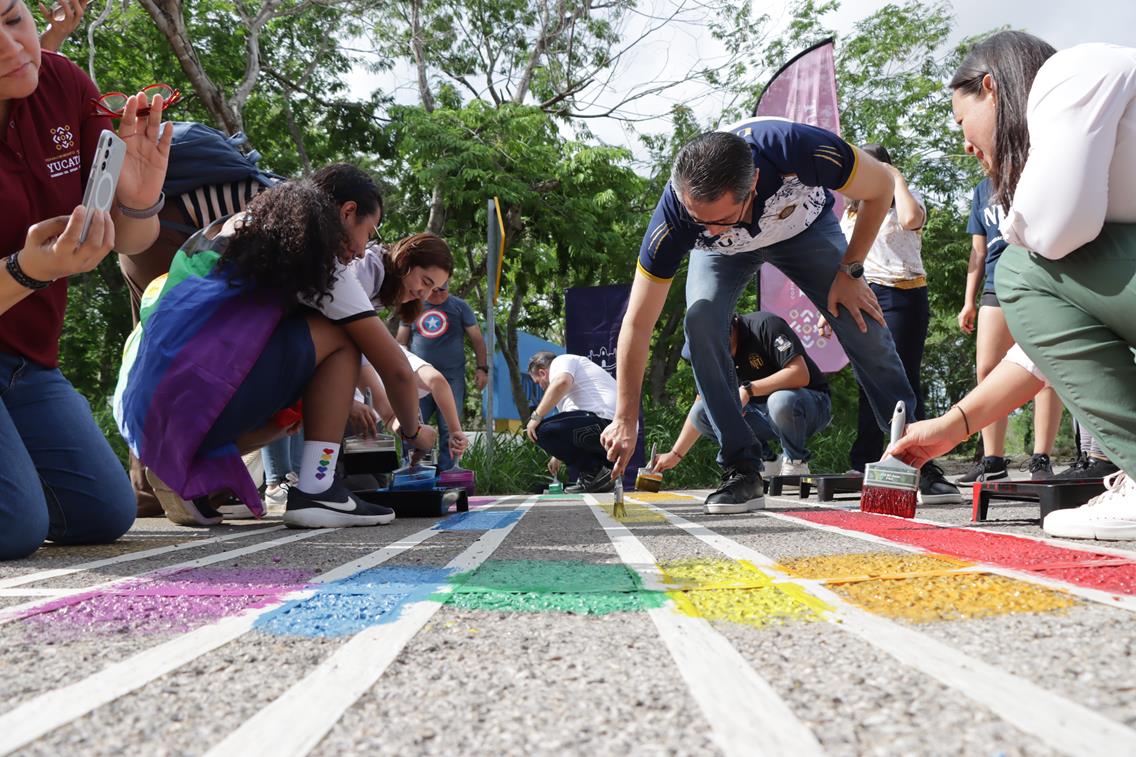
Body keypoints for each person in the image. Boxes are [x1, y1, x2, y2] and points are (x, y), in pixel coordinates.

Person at [600, 117, 915, 514]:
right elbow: (638, 322)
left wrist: (850, 269)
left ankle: (911, 451)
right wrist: (625, 419)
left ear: (753, 186)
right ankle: (742, 468)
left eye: (718, 219)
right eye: (698, 220)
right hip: (724, 259)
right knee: (700, 322)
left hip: (803, 229)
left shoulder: (797, 148)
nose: (708, 230)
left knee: (858, 317)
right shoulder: (677, 218)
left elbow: (882, 186)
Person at [891, 32, 1136, 540]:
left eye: (962, 121)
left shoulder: (1067, 76)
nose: (964, 143)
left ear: (990, 88)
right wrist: (954, 426)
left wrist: (1013, 231)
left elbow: (1052, 232)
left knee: (1020, 268)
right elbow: (1050, 344)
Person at [115, 180, 443, 529]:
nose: (363, 251)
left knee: (299, 407)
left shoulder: (242, 227)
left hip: (143, 407)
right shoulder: (324, 265)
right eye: (368, 231)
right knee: (343, 337)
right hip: (189, 400)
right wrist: (412, 433)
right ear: (347, 213)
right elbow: (396, 371)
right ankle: (318, 488)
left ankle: (187, 462)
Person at [1, 0, 171, 559]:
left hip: (27, 362)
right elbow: (32, 266)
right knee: (16, 528)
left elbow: (128, 241)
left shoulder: (63, 82)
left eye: (11, 19)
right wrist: (28, 271)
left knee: (102, 512)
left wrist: (141, 202)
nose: (11, 47)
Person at [835, 143, 961, 504]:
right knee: (867, 379)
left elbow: (910, 220)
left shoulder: (905, 198)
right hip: (864, 294)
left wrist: (895, 179)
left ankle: (921, 465)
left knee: (903, 377)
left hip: (903, 294)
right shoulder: (850, 213)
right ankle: (865, 460)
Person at [957, 175, 1063, 482]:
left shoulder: (1032, 172)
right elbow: (977, 251)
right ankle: (993, 460)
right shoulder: (981, 190)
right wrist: (968, 301)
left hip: (1039, 279)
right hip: (995, 283)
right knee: (987, 368)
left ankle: (1041, 459)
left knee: (1044, 369)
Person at [654, 312, 831, 480]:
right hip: (761, 417)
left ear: (729, 333)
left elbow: (800, 374)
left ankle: (796, 462)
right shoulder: (713, 358)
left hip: (809, 406)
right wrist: (675, 454)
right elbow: (701, 403)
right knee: (702, 412)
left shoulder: (765, 325)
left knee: (780, 400)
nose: (710, 355)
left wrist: (748, 390)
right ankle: (765, 460)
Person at [397, 282, 487, 469]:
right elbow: (400, 341)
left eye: (442, 290)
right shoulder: (413, 305)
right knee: (411, 425)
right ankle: (412, 469)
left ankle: (448, 473)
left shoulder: (459, 306)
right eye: (434, 291)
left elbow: (477, 338)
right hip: (419, 380)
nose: (438, 295)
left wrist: (482, 368)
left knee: (449, 428)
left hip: (451, 379)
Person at [526, 351, 618, 494]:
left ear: (543, 373)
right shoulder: (572, 391)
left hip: (605, 422)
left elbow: (562, 382)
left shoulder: (561, 361)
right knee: (555, 430)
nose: (541, 387)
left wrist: (536, 417)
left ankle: (594, 472)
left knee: (541, 431)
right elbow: (572, 425)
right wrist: (557, 454)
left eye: (538, 382)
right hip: (613, 431)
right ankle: (600, 476)